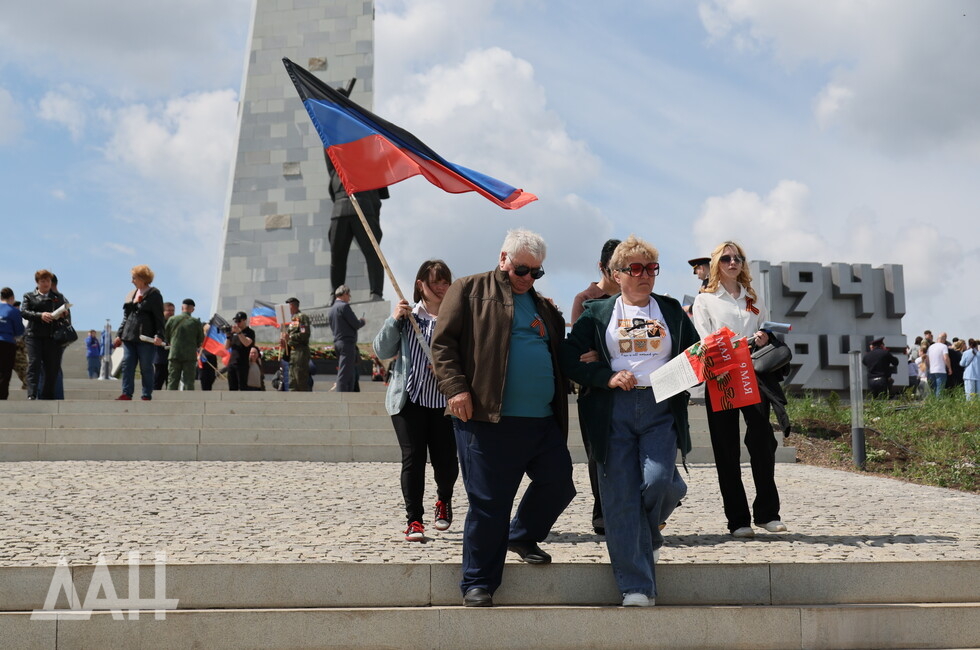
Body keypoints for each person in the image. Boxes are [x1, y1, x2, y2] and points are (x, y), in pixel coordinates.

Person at [431, 228, 575, 608]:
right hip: (487, 418)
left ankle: (523, 534)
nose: (528, 278)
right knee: (490, 503)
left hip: (541, 420)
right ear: (503, 259)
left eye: (536, 273)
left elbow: (558, 353)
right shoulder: (468, 289)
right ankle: (478, 583)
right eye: (522, 269)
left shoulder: (543, 306)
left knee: (559, 483)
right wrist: (456, 388)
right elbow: (442, 344)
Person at [561, 235, 700, 607]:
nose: (645, 276)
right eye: (635, 269)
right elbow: (569, 358)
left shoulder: (671, 311)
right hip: (612, 410)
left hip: (660, 406)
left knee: (660, 482)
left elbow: (696, 356)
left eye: (651, 268)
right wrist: (605, 377)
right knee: (619, 497)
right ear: (616, 274)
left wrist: (701, 364)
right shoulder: (596, 314)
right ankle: (636, 587)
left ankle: (650, 536)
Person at [692, 241, 786, 538]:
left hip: (752, 376)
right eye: (727, 258)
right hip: (721, 378)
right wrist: (737, 344)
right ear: (717, 263)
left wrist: (763, 335)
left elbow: (766, 329)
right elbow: (706, 341)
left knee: (762, 442)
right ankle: (737, 519)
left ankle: (767, 513)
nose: (733, 263)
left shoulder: (752, 299)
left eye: (738, 258)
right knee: (726, 449)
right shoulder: (705, 300)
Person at [373, 260, 458, 542]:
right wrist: (394, 318)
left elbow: (469, 356)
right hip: (408, 399)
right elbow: (382, 349)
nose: (442, 288)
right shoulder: (408, 316)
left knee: (446, 462)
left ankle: (443, 499)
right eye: (436, 283)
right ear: (421, 284)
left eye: (446, 282)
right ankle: (414, 520)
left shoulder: (456, 316)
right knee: (413, 458)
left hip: (444, 402)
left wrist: (448, 368)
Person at [569, 238, 621, 536]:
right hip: (595, 392)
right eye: (616, 267)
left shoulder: (635, 299)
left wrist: (604, 354)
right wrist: (609, 355)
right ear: (602, 267)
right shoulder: (585, 298)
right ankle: (601, 511)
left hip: (631, 390)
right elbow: (581, 352)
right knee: (597, 453)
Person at [326, 151, 388, 301]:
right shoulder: (336, 164)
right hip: (340, 208)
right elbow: (327, 147)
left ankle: (376, 293)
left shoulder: (369, 161)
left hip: (363, 206)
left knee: (373, 253)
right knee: (337, 256)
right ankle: (336, 295)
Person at [114, 265, 166, 401]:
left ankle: (146, 394)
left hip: (146, 337)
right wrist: (119, 334)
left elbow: (159, 317)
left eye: (134, 278)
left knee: (146, 366)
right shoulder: (131, 294)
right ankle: (126, 393)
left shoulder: (154, 294)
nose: (132, 281)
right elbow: (126, 316)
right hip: (129, 335)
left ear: (142, 278)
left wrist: (160, 335)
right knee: (128, 365)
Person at [21, 270, 70, 400]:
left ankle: (47, 395)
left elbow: (66, 314)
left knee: (52, 367)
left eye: (48, 280)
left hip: (51, 336)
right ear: (37, 282)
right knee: (34, 364)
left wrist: (63, 314)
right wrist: (40, 315)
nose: (46, 283)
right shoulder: (29, 296)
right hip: (34, 335)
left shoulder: (58, 297)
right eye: (43, 281)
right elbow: (24, 312)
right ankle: (32, 394)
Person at [571, 238, 621, 322]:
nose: (619, 273)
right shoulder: (584, 299)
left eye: (624, 267)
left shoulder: (631, 298)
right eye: (614, 267)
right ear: (601, 266)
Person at [328, 285, 365, 392]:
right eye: (349, 295)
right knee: (344, 373)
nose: (349, 298)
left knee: (348, 371)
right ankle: (341, 395)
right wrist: (362, 321)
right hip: (346, 343)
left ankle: (349, 393)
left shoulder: (332, 310)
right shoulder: (344, 307)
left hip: (338, 342)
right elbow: (355, 324)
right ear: (344, 294)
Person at [165, 299, 205, 390]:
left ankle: (170, 401)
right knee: (189, 381)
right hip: (190, 355)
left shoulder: (172, 319)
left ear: (182, 308)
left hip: (174, 353)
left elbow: (166, 336)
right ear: (192, 309)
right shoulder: (196, 322)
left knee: (172, 380)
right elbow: (200, 339)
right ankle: (189, 402)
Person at [281, 297, 312, 392]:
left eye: (288, 306)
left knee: (300, 379)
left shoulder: (301, 317)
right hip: (292, 351)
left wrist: (290, 337)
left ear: (292, 306)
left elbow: (304, 334)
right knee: (292, 380)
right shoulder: (292, 319)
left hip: (300, 351)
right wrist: (284, 341)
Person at [0, 287, 26, 400]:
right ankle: (2, 397)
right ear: (12, 298)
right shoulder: (14, 311)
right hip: (7, 343)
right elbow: (20, 330)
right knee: (5, 372)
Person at [225, 311, 256, 391]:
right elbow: (226, 347)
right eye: (236, 321)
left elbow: (246, 343)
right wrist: (228, 336)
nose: (237, 323)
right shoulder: (234, 333)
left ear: (245, 320)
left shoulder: (250, 332)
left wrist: (239, 332)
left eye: (239, 321)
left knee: (242, 387)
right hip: (232, 363)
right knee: (232, 387)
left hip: (242, 363)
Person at [153, 302, 175, 390]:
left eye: (172, 310)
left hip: (173, 358)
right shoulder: (158, 323)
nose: (171, 312)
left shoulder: (175, 323)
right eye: (168, 310)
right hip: (160, 358)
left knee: (171, 384)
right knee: (157, 382)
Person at [926, 333, 952, 397]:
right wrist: (949, 368)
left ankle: (933, 404)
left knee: (933, 389)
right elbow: (946, 358)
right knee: (940, 389)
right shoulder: (944, 346)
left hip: (931, 371)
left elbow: (926, 359)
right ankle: (939, 404)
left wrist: (929, 367)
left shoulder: (930, 347)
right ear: (944, 340)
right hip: (941, 370)